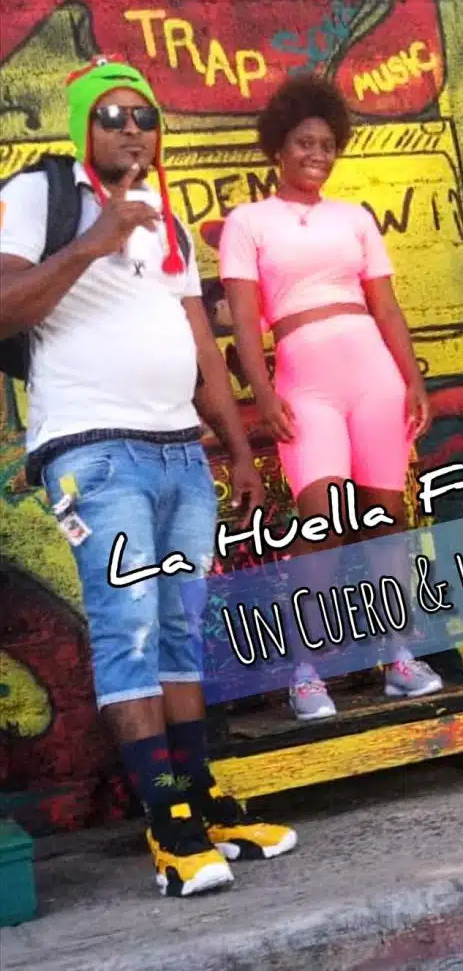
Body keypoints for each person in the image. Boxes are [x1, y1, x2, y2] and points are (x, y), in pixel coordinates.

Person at [0, 56, 296, 896]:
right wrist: (94, 240)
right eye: (113, 116)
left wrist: (235, 447)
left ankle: (198, 801)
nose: (132, 130)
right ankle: (167, 824)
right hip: (92, 451)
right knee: (127, 628)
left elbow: (200, 341)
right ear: (84, 128)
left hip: (179, 452)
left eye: (145, 117)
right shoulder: (40, 195)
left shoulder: (167, 217)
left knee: (178, 632)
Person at [217, 73, 444, 721]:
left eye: (326, 145)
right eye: (303, 143)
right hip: (305, 384)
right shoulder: (248, 222)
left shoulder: (355, 218)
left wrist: (414, 381)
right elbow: (243, 318)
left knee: (387, 518)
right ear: (277, 147)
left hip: (375, 376)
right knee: (321, 524)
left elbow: (387, 308)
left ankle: (399, 656)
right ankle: (306, 669)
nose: (316, 155)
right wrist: (263, 394)